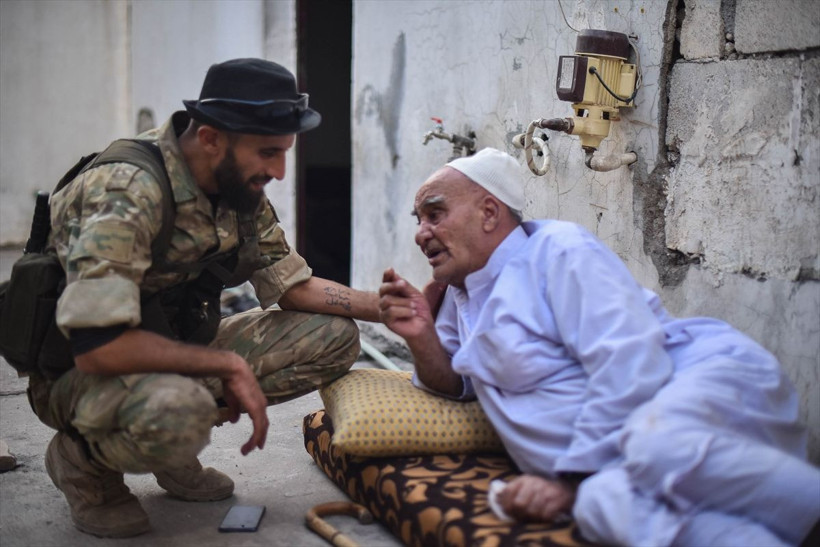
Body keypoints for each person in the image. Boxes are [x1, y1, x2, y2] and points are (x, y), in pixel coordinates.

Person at [379, 147, 820, 546]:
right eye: (418, 220)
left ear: (489, 213)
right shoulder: (461, 291)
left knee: (656, 448)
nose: (421, 233)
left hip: (687, 380)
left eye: (434, 214)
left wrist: (567, 478)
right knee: (600, 504)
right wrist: (421, 335)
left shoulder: (558, 252)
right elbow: (455, 383)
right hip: (607, 457)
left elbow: (630, 363)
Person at [33, 58, 379, 538]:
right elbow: (98, 345)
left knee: (334, 337)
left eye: (284, 152)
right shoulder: (128, 192)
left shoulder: (237, 185)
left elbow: (294, 287)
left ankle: (171, 441)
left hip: (171, 342)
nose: (278, 170)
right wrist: (224, 366)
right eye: (267, 152)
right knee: (183, 406)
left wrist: (385, 307)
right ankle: (84, 463)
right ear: (212, 137)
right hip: (81, 369)